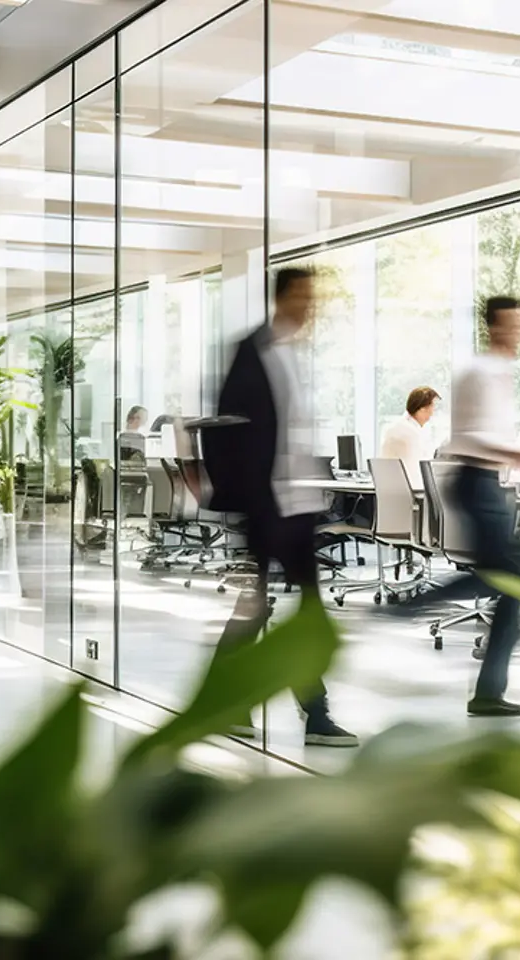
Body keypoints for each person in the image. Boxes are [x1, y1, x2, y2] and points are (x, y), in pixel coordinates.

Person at [203, 266, 358, 747]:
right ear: (282, 298)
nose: (310, 306)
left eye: (313, 298)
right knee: (262, 608)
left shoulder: (293, 354)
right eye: (303, 297)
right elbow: (224, 427)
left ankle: (272, 708)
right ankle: (307, 713)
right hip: (268, 502)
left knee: (277, 610)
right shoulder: (253, 352)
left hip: (298, 500)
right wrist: (240, 495)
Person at [386, 297, 520, 718]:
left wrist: (514, 455)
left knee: (510, 583)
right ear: (492, 326)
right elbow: (467, 437)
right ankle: (412, 609)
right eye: (510, 324)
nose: (517, 332)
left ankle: (489, 692)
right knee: (511, 581)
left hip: (488, 482)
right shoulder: (479, 371)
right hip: (475, 482)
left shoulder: (501, 373)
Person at [380, 386, 440, 488]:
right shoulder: (413, 434)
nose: (432, 413)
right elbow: (423, 472)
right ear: (422, 409)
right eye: (432, 407)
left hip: (389, 497)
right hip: (413, 496)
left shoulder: (390, 429)